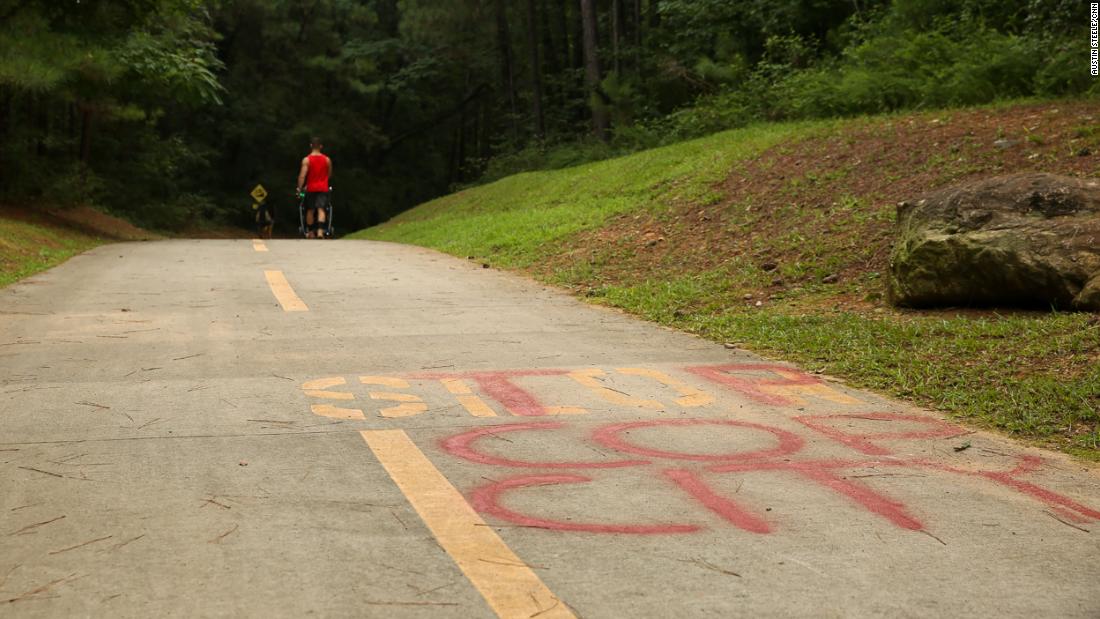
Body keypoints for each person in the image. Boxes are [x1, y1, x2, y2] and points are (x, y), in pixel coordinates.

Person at [296, 137, 332, 239]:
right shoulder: (327, 160)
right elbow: (329, 174)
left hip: (310, 188)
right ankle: (320, 232)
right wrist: (323, 181)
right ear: (321, 146)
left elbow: (302, 176)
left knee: (310, 210)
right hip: (323, 188)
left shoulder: (307, 160)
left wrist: (300, 188)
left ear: (311, 146)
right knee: (321, 209)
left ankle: (311, 232)